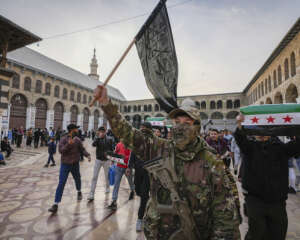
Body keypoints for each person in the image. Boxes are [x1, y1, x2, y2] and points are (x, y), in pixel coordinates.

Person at [94, 85, 241, 240]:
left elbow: (225, 220)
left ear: (197, 126)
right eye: (177, 121)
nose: (180, 126)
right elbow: (129, 134)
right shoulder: (161, 148)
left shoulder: (211, 163)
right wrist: (106, 103)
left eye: (187, 122)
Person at [235, 114, 300, 240]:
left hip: (277, 200)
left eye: (265, 130)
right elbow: (240, 138)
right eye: (259, 130)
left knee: (278, 231)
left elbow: (297, 146)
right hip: (255, 199)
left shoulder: (280, 147)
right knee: (257, 232)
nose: (262, 133)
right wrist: (239, 125)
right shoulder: (249, 147)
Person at [48, 124, 91, 213]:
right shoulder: (63, 139)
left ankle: (79, 191)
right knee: (61, 182)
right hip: (65, 164)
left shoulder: (77, 139)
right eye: (76, 129)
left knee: (77, 178)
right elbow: (60, 150)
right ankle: (55, 204)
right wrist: (68, 144)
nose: (77, 130)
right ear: (72, 130)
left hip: (75, 164)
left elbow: (82, 149)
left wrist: (88, 155)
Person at [127, 122, 152, 232]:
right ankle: (147, 202)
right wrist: (129, 167)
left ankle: (140, 219)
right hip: (138, 171)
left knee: (144, 195)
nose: (142, 131)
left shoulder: (153, 142)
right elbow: (132, 154)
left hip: (148, 172)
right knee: (138, 191)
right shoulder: (137, 142)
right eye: (141, 129)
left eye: (144, 129)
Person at [88, 126, 114, 201]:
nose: (102, 133)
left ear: (105, 132)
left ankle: (107, 188)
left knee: (107, 176)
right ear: (99, 132)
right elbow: (93, 145)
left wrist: (112, 159)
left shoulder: (110, 139)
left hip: (107, 161)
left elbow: (112, 149)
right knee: (94, 176)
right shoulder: (97, 139)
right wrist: (97, 137)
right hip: (98, 160)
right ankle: (91, 193)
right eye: (100, 132)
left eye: (103, 132)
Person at [108, 140, 135, 210]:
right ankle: (114, 201)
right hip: (119, 167)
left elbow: (132, 156)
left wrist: (125, 159)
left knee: (130, 181)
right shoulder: (119, 144)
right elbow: (115, 153)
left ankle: (132, 191)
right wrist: (112, 160)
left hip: (127, 167)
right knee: (116, 184)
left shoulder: (130, 145)